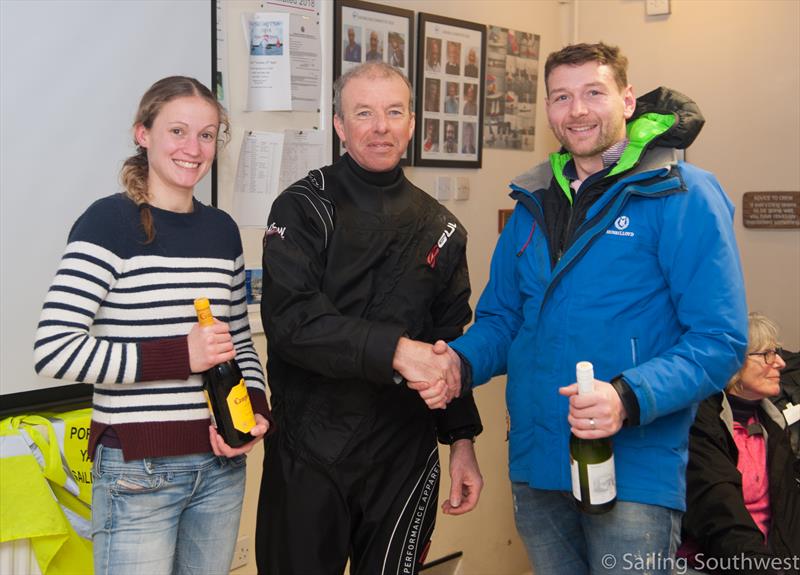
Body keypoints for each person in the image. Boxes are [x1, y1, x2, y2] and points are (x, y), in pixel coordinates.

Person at [443, 42, 748, 574]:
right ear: (547, 110)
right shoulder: (534, 202)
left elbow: (719, 341)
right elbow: (504, 320)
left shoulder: (681, 194)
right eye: (561, 96)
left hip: (634, 470)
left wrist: (627, 397)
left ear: (627, 100)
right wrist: (457, 364)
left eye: (593, 93)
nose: (577, 110)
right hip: (538, 467)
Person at [32, 76, 271, 575]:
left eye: (207, 135)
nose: (193, 148)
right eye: (178, 131)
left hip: (221, 466)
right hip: (138, 470)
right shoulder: (107, 223)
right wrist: (179, 355)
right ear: (143, 134)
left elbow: (238, 342)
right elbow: (54, 348)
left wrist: (253, 411)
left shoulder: (221, 230)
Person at [255, 62, 483, 575]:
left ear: (411, 124)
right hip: (308, 454)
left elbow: (449, 344)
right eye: (364, 113)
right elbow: (292, 322)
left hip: (404, 454)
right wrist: (399, 351)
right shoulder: (302, 208)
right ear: (339, 125)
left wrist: (462, 441)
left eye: (393, 112)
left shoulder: (442, 228)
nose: (380, 127)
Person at [680, 313, 800, 574]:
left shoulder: (773, 424)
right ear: (733, 361)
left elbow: (787, 521)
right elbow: (721, 518)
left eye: (777, 352)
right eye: (767, 354)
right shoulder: (701, 424)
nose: (780, 362)